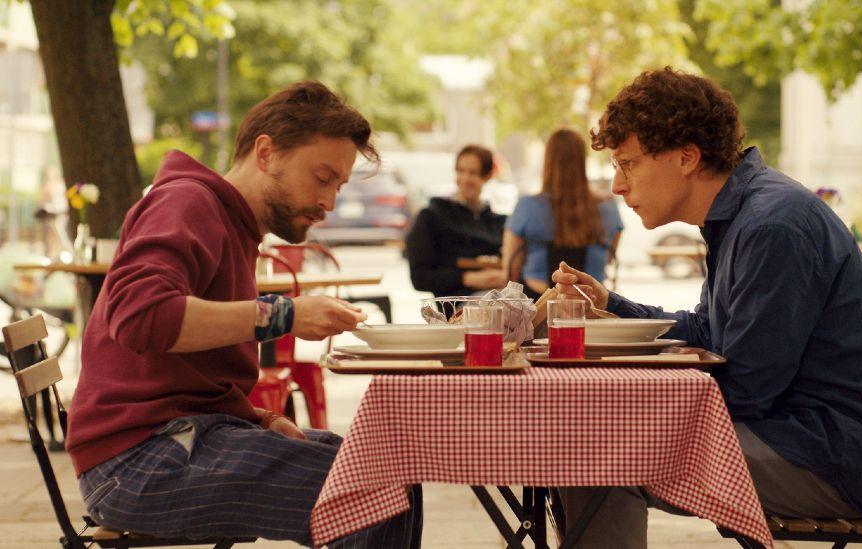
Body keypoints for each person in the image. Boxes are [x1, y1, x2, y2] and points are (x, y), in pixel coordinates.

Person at [552, 67, 862, 547]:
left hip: (825, 457)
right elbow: (708, 332)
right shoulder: (742, 215)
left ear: (686, 157)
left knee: (603, 454)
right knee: (590, 444)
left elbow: (747, 386)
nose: (617, 185)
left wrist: (635, 408)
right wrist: (611, 304)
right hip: (796, 435)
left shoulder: (770, 226)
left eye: (627, 163)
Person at [65, 81, 422, 547]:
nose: (330, 203)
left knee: (388, 470)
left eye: (338, 185)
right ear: (267, 152)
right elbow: (140, 318)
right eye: (321, 177)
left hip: (174, 439)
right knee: (370, 492)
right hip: (136, 462)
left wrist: (255, 419)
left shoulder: (230, 223)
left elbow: (183, 377)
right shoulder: (188, 203)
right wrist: (282, 315)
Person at [502, 128, 623, 298]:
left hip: (536, 306)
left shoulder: (527, 207)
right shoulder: (608, 207)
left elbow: (511, 270)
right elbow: (609, 259)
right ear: (582, 160)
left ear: (548, 161)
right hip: (593, 304)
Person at [405, 145, 507, 297]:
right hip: (461, 304)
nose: (465, 179)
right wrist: (470, 279)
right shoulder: (432, 216)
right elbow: (420, 277)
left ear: (487, 176)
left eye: (473, 173)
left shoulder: (499, 223)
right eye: (460, 171)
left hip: (502, 295)